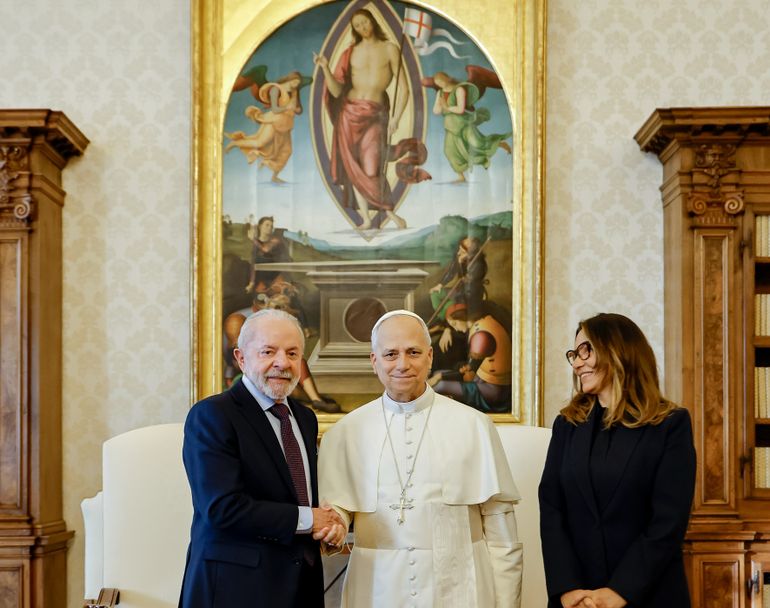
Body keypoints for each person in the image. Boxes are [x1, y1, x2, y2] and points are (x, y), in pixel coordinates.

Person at [318, 309, 523, 607]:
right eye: (390, 354)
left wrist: (507, 604)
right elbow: (338, 507)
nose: (402, 364)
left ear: (429, 357)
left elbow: (501, 530)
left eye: (413, 352)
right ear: (374, 361)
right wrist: (336, 519)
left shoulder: (475, 425)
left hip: (460, 587)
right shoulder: (345, 432)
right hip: (377, 588)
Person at [179, 309, 345, 608]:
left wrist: (330, 525)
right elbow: (222, 508)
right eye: (268, 351)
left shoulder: (305, 418)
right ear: (241, 358)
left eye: (292, 353)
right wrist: (310, 518)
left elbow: (298, 492)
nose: (282, 363)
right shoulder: (212, 415)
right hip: (235, 589)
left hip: (301, 586)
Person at [538, 313, 696, 608]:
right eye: (573, 354)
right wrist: (568, 589)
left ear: (619, 350)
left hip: (649, 594)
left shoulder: (670, 425)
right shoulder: (566, 425)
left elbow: (668, 522)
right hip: (578, 599)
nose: (576, 363)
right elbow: (551, 510)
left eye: (586, 350)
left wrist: (620, 591)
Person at [313, 9, 428, 230]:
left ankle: (391, 215)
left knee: (371, 167)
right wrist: (325, 67)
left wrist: (396, 117)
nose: (363, 28)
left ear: (373, 22)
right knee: (353, 167)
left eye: (365, 22)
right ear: (354, 30)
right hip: (349, 114)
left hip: (375, 114)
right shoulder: (350, 52)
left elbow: (404, 89)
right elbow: (336, 92)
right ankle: (366, 218)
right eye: (357, 26)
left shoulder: (390, 49)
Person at [225, 70, 309, 183]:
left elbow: (299, 110)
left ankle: (274, 176)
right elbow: (275, 109)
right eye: (294, 82)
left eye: (297, 84)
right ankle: (234, 143)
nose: (295, 85)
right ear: (289, 79)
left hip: (285, 124)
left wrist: (296, 106)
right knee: (260, 142)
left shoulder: (293, 92)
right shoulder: (276, 89)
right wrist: (288, 108)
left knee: (286, 150)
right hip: (274, 121)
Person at [428, 69, 511, 183]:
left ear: (446, 79)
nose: (440, 85)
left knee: (477, 143)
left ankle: (499, 144)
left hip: (463, 124)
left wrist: (447, 107)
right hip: (450, 126)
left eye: (440, 82)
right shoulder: (440, 93)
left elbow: (461, 109)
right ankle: (461, 176)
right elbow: (436, 111)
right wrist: (440, 106)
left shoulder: (459, 89)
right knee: (449, 151)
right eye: (437, 84)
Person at [429, 302, 512, 413]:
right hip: (482, 379)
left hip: (495, 390)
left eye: (454, 324)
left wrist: (439, 377)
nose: (455, 328)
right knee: (436, 375)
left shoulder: (481, 336)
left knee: (440, 385)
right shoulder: (482, 322)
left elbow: (469, 374)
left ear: (462, 317)